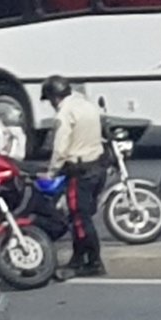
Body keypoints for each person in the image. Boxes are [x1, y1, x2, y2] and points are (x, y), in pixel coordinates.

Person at [42, 76, 106, 279]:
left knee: (79, 219)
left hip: (80, 172)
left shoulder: (65, 113)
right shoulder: (87, 105)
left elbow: (60, 149)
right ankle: (79, 257)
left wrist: (51, 172)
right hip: (96, 167)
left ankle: (94, 262)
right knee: (80, 216)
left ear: (53, 97)